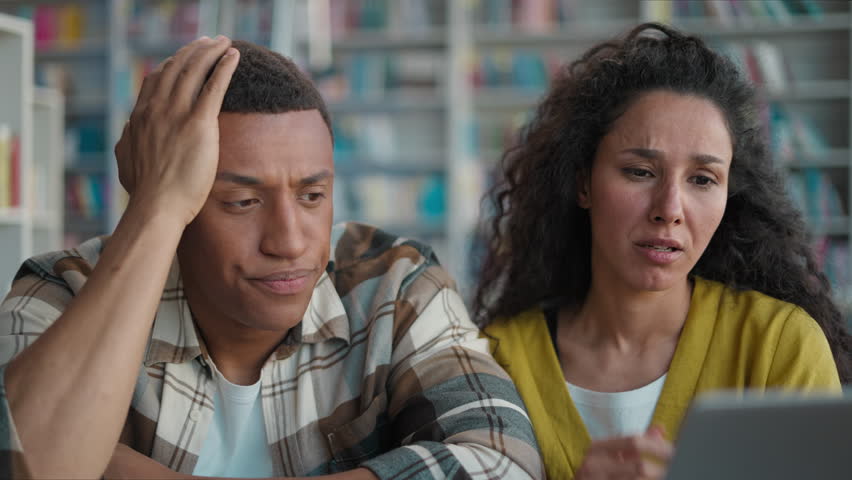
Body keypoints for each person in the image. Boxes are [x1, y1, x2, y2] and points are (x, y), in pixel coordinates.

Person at [0, 37, 543, 479]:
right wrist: (155, 209)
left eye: (312, 196)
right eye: (241, 202)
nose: (288, 241)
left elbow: (502, 459)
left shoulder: (392, 284)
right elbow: (27, 464)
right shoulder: (63, 288)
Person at [474, 22, 852, 480]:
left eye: (702, 179)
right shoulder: (497, 358)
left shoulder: (779, 345)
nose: (670, 209)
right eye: (639, 171)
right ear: (582, 183)